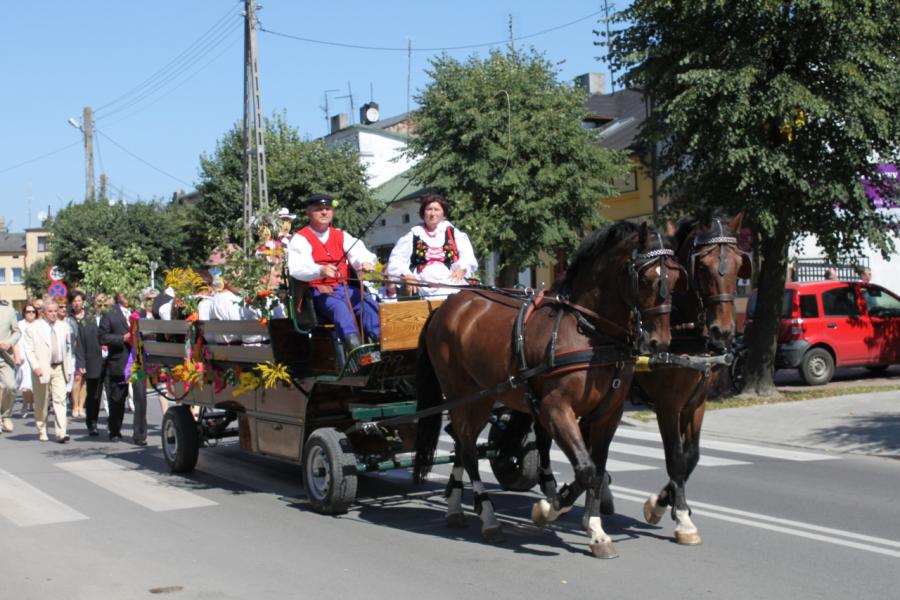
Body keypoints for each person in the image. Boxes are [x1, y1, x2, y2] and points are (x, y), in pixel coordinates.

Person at [288, 193, 380, 352]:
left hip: (345, 288)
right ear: (309, 212)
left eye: (327, 209)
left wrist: (364, 262)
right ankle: (356, 353)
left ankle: (382, 344)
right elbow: (297, 268)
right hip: (319, 291)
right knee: (340, 309)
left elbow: (358, 252)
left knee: (368, 303)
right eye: (319, 209)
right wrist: (320, 270)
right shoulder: (301, 238)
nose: (324, 212)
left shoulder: (341, 235)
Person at [387, 193, 478, 297]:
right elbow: (396, 259)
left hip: (451, 280)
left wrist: (462, 268)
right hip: (422, 283)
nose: (432, 213)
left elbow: (467, 255)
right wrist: (407, 275)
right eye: (429, 209)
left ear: (443, 213)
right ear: (423, 213)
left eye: (437, 209)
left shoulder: (454, 233)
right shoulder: (414, 234)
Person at [23, 299, 73, 443]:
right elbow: (29, 350)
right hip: (42, 369)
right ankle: (42, 428)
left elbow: (68, 349)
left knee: (60, 400)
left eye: (55, 311)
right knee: (42, 401)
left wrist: (68, 368)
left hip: (59, 367)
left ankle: (61, 432)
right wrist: (36, 367)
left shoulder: (63, 327)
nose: (53, 314)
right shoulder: (33, 328)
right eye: (50, 311)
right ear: (43, 313)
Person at [99, 292, 133, 441]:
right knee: (118, 398)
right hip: (119, 362)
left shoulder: (140, 312)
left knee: (139, 399)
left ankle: (140, 434)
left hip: (138, 362)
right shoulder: (110, 314)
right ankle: (115, 430)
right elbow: (103, 337)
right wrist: (122, 338)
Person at [76, 294, 104, 437]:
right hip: (93, 361)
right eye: (98, 301)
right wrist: (81, 363)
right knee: (94, 395)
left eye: (103, 302)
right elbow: (80, 344)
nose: (101, 304)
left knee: (114, 395)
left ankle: (114, 426)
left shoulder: (111, 317)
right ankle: (92, 423)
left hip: (110, 361)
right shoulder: (85, 321)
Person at [66, 290, 89, 418]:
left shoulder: (88, 316)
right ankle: (75, 405)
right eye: (74, 301)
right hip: (74, 353)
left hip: (87, 351)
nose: (77, 303)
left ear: (83, 302)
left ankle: (81, 405)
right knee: (77, 378)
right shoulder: (68, 319)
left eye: (79, 300)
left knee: (84, 379)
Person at [0, 299, 21, 433]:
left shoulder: (8, 310)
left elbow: (17, 332)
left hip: (4, 357)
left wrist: (9, 342)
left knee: (11, 386)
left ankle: (5, 415)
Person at [15, 302, 38, 417]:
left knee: (35, 383)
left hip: (37, 357)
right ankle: (25, 404)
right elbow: (16, 342)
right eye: (28, 311)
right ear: (24, 313)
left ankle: (32, 404)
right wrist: (17, 356)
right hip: (23, 358)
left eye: (33, 311)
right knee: (26, 383)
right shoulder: (19, 325)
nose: (31, 314)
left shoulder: (39, 324)